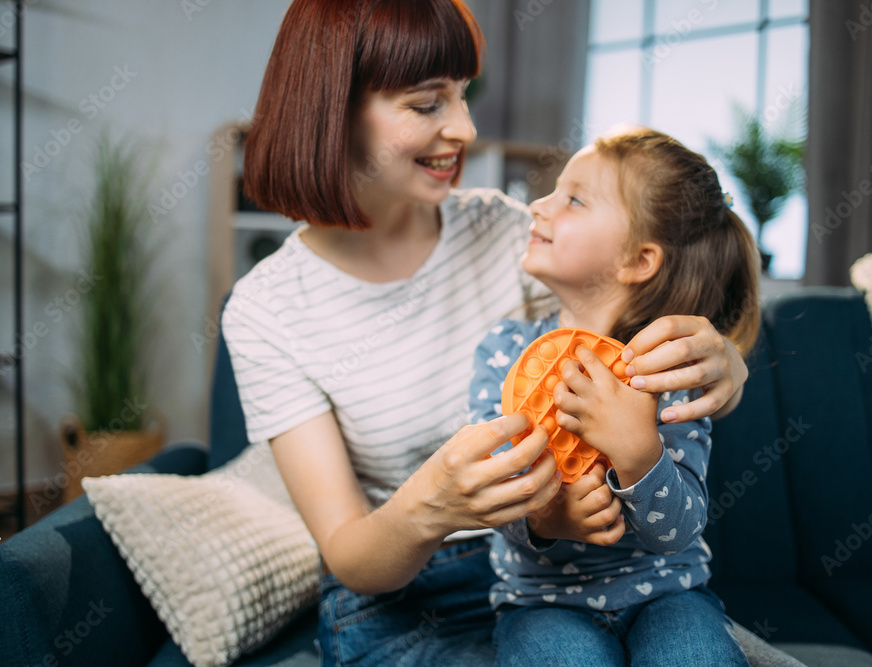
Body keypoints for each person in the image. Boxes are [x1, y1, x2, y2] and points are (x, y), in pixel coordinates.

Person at [222, 1, 792, 665]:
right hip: (411, 594)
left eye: (462, 96)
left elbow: (630, 283)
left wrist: (726, 353)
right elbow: (351, 551)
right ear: (334, 108)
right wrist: (430, 508)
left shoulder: (503, 230)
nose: (464, 127)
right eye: (427, 103)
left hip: (604, 575)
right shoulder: (267, 309)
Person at [468, 127, 758, 666]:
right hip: (541, 603)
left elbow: (679, 530)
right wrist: (545, 519)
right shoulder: (502, 351)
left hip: (670, 597)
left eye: (573, 199)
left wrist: (637, 450)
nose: (539, 205)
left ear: (638, 261)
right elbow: (485, 487)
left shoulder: (668, 369)